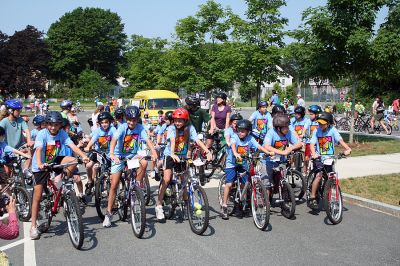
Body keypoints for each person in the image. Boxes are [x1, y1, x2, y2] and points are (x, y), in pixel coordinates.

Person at [30, 111, 89, 239]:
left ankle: (61, 179)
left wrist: (84, 156)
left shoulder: (62, 133)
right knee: (37, 196)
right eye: (50, 124)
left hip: (55, 160)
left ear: (59, 125)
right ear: (46, 124)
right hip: (40, 165)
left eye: (56, 125)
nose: (53, 127)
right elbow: (39, 149)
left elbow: (72, 145)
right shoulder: (42, 134)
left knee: (73, 160)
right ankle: (33, 226)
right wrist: (40, 164)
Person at [154, 108, 211, 221]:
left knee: (184, 180)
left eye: (180, 121)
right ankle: (159, 205)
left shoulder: (190, 128)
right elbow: (172, 140)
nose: (178, 123)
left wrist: (207, 151)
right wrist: (172, 154)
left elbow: (197, 141)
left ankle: (186, 204)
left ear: (185, 121)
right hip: (169, 155)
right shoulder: (171, 128)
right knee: (166, 179)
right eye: (176, 120)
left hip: (183, 157)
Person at [107, 106, 158, 227]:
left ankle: (137, 186)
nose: (132, 122)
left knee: (144, 162)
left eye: (134, 120)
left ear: (137, 120)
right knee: (114, 184)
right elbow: (114, 140)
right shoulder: (122, 127)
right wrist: (112, 153)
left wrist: (154, 152)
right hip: (119, 157)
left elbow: (147, 141)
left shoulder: (140, 128)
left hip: (132, 156)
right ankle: (108, 213)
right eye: (129, 119)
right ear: (126, 118)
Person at [221, 119, 274, 219]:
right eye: (239, 130)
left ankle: (242, 204)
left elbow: (258, 146)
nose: (240, 133)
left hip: (243, 164)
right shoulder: (235, 137)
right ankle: (224, 205)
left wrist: (267, 152)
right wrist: (236, 153)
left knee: (244, 184)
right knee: (229, 184)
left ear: (248, 132)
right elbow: (232, 145)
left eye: (243, 131)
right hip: (232, 164)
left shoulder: (250, 138)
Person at [308, 112, 352, 209]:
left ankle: (326, 193)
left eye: (322, 123)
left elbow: (340, 141)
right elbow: (312, 144)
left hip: (329, 158)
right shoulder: (316, 131)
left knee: (329, 177)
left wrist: (347, 149)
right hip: (319, 158)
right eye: (319, 123)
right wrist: (314, 154)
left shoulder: (333, 130)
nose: (320, 125)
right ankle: (312, 197)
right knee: (319, 175)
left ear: (328, 123)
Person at [261, 114, 302, 194]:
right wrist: (282, 152)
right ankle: (267, 202)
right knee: (267, 183)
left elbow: (299, 144)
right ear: (278, 128)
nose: (287, 129)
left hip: (281, 161)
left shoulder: (288, 133)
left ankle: (285, 195)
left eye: (288, 126)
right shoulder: (271, 132)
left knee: (283, 180)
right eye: (285, 127)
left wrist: (290, 148)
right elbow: (266, 146)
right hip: (268, 160)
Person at [84, 112, 116, 196]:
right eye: (102, 123)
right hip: (99, 153)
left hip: (110, 154)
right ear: (99, 123)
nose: (104, 124)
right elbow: (93, 139)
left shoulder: (113, 130)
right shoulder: (98, 131)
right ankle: (90, 182)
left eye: (106, 122)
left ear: (110, 122)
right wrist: (88, 146)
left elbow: (117, 138)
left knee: (112, 172)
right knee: (88, 165)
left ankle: (110, 189)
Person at [0, 99, 33, 178]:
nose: (19, 112)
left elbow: (27, 131)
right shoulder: (4, 122)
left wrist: (29, 141)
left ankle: (25, 170)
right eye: (17, 110)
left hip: (19, 147)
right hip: (8, 149)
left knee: (29, 151)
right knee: (7, 173)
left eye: (19, 110)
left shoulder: (20, 120)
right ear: (11, 111)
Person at [305, 105, 322, 174]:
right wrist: (303, 134)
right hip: (309, 142)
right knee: (306, 158)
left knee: (317, 157)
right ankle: (305, 170)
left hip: (318, 143)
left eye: (312, 114)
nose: (310, 116)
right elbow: (305, 128)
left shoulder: (320, 122)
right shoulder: (308, 121)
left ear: (317, 114)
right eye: (309, 114)